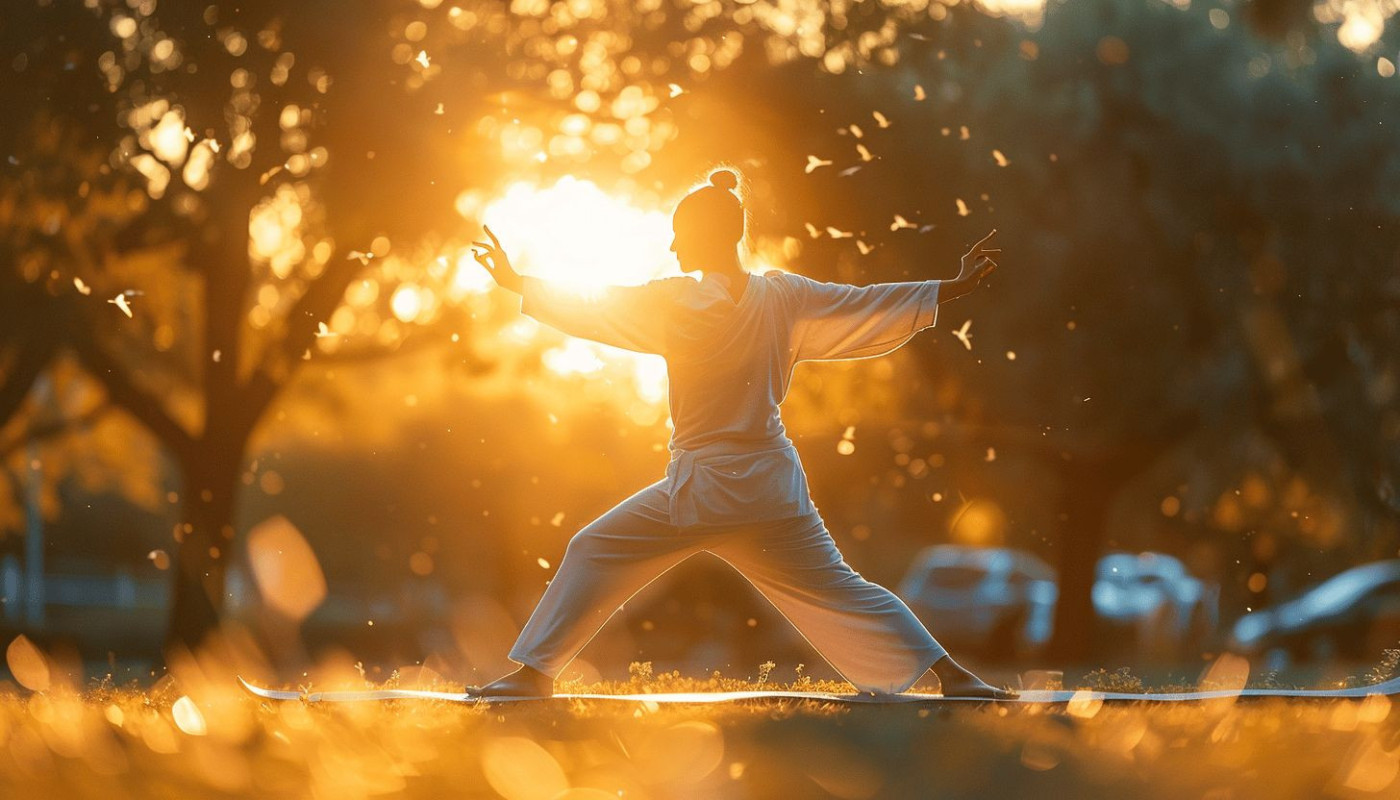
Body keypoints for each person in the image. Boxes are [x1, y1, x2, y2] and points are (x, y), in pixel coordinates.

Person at [466, 167, 1014, 699]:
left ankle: (533, 675)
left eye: (681, 237)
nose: (675, 249)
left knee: (594, 549)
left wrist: (517, 282)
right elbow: (865, 300)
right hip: (773, 491)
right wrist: (954, 286)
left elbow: (594, 306)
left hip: (701, 491)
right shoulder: (783, 296)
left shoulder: (671, 302)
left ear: (706, 238)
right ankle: (955, 676)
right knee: (845, 589)